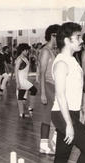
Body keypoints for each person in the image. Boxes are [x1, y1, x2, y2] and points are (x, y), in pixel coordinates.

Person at [51, 22, 85, 163]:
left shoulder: (71, 60)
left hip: (71, 113)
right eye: (77, 37)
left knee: (62, 156)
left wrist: (82, 111)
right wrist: (69, 124)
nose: (81, 40)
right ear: (66, 40)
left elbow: (76, 91)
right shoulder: (62, 63)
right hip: (63, 114)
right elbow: (61, 95)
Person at [38, 24, 60, 154]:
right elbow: (42, 73)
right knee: (49, 115)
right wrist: (43, 93)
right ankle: (45, 144)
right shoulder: (45, 51)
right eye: (59, 36)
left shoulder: (53, 51)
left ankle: (52, 142)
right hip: (47, 85)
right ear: (53, 36)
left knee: (57, 115)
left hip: (54, 86)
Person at [15, 43, 37, 118]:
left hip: (24, 79)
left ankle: (22, 113)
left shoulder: (25, 58)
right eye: (26, 50)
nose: (27, 51)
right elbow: (16, 71)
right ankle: (30, 108)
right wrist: (17, 82)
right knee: (34, 90)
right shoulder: (19, 59)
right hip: (21, 80)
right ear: (22, 50)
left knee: (21, 96)